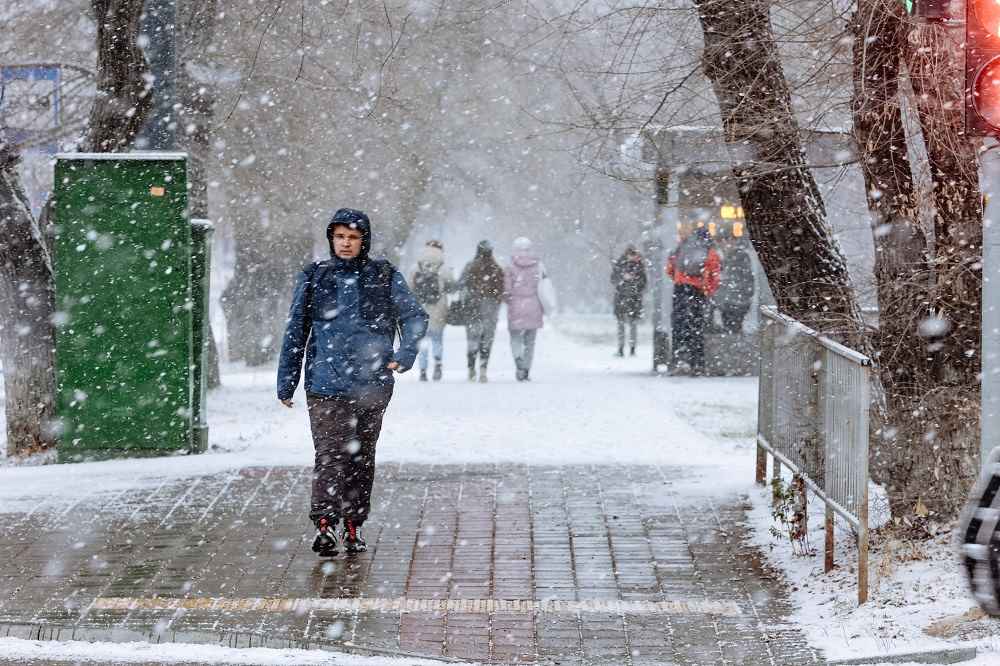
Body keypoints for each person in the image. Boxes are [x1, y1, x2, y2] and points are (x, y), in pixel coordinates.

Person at [277, 208, 428, 557]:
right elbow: (296, 329)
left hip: (370, 384)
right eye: (340, 236)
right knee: (330, 455)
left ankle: (353, 524)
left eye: (353, 237)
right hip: (325, 384)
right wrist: (287, 380)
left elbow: (414, 316)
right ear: (331, 238)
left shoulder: (384, 275)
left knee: (361, 457)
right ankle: (326, 525)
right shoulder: (315, 276)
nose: (345, 243)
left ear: (364, 241)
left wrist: (404, 355)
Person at [666, 225, 721, 376]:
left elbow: (670, 268)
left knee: (678, 326)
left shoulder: (681, 247)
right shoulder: (710, 252)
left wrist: (680, 280)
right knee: (696, 327)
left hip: (680, 289)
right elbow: (715, 276)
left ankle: (678, 361)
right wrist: (707, 291)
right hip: (698, 291)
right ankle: (697, 364)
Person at [411, 240, 456, 381]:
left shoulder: (416, 267)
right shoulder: (443, 267)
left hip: (420, 310)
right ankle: (437, 365)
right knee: (437, 339)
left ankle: (423, 371)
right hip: (438, 309)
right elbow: (452, 286)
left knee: (422, 341)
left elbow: (408, 287)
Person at [459, 240, 504, 383]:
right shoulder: (496, 268)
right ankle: (483, 369)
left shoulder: (470, 266)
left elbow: (461, 284)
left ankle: (471, 369)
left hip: (473, 307)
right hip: (490, 308)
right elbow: (501, 290)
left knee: (472, 339)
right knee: (486, 340)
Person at [504, 236, 547, 382]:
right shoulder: (539, 266)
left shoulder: (510, 267)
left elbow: (506, 290)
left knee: (515, 338)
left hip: (516, 306)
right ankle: (527, 369)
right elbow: (544, 287)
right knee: (530, 342)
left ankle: (518, 361)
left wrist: (508, 299)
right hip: (534, 306)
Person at [713, 237, 755, 334]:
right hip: (728, 301)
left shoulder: (739, 256)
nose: (726, 244)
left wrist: (746, 293)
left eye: (729, 240)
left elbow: (748, 278)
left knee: (733, 329)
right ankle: (734, 344)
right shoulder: (723, 256)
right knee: (730, 329)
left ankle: (735, 344)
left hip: (736, 300)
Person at [611, 245, 647, 357]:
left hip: (632, 298)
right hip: (623, 297)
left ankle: (631, 348)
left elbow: (643, 283)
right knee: (623, 324)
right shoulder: (621, 265)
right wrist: (623, 278)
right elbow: (613, 279)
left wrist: (633, 281)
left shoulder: (639, 266)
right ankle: (621, 348)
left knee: (632, 324)